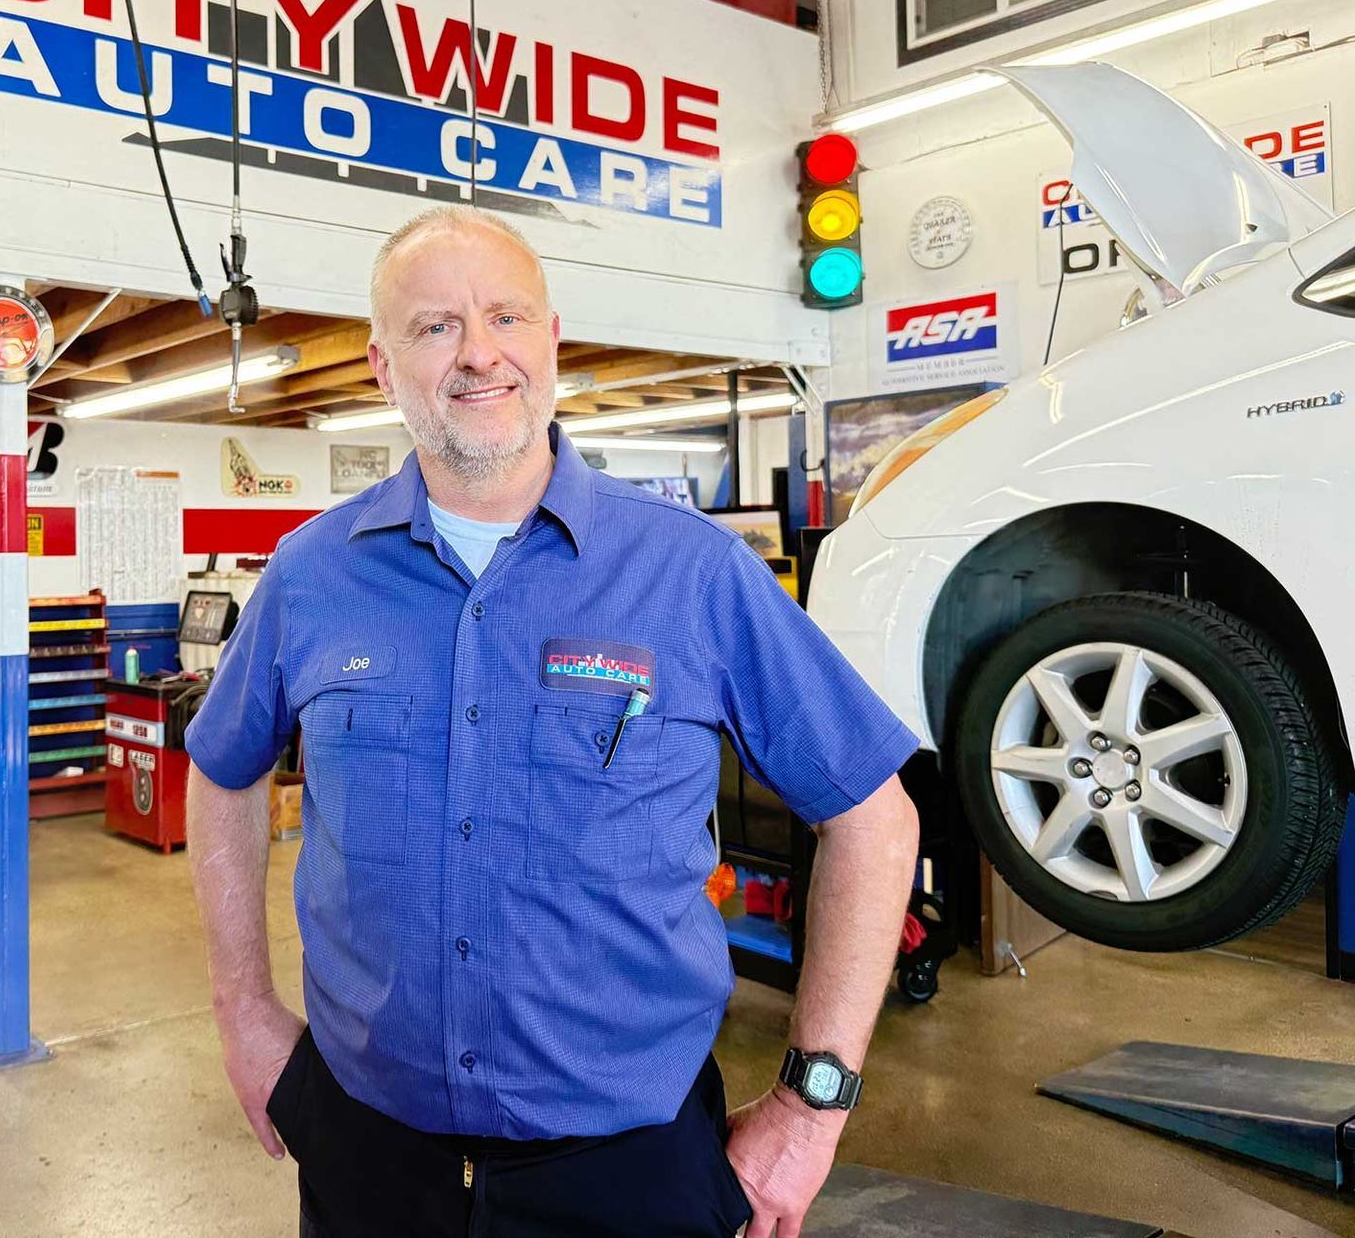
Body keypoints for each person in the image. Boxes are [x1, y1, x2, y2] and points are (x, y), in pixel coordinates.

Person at [187, 205, 921, 1237]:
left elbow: (876, 817)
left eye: (506, 318)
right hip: (367, 1150)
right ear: (380, 366)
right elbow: (222, 770)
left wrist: (813, 1106)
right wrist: (244, 1010)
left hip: (631, 1167)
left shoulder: (691, 572)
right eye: (435, 326)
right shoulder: (313, 574)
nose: (478, 353)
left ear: (551, 342)